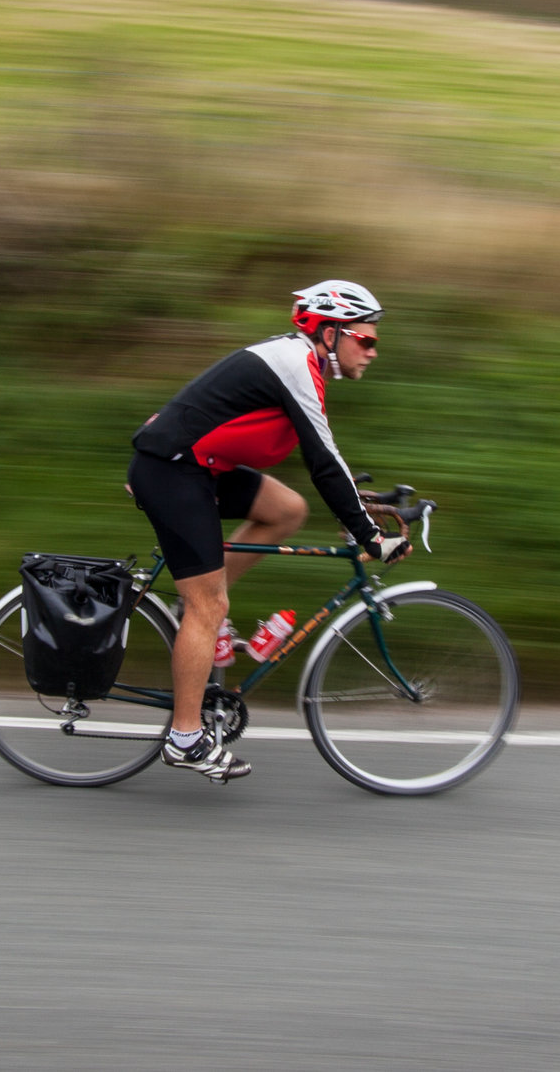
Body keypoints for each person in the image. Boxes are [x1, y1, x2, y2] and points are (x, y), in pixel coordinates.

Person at [125, 280, 410, 783]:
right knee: (208, 604)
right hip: (173, 471)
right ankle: (185, 738)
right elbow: (323, 459)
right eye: (365, 340)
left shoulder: (303, 364)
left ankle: (192, 615)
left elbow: (324, 462)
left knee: (287, 509)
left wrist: (360, 505)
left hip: (198, 467)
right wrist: (368, 535)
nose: (371, 351)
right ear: (328, 333)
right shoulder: (297, 362)